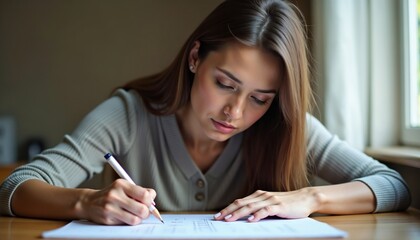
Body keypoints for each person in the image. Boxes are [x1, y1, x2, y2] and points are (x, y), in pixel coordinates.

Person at [0, 0, 410, 225]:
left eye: (260, 98)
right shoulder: (128, 114)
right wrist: (84, 202)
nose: (234, 111)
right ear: (196, 57)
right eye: (226, 84)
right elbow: (15, 187)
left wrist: (308, 197)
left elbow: (392, 185)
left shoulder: (285, 126)